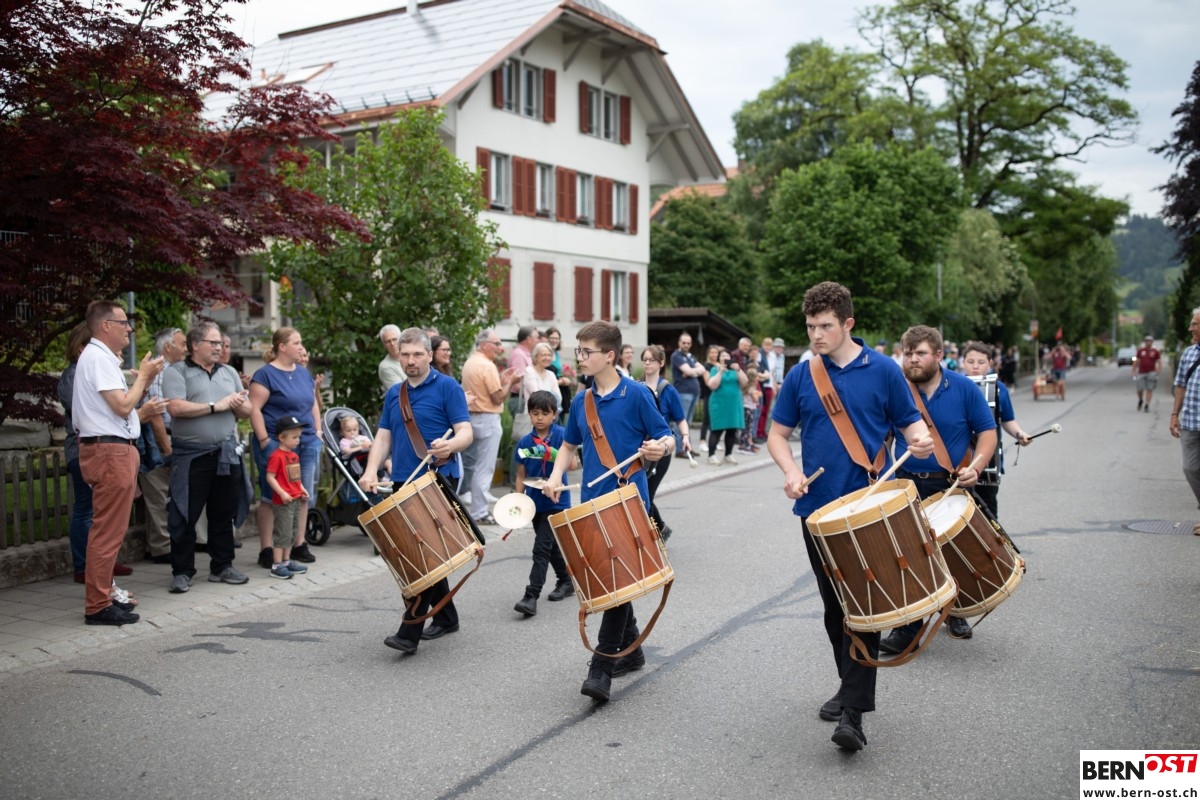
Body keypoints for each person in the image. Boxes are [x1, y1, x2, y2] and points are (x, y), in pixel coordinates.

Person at [766, 281, 934, 752]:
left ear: (848, 324)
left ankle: (854, 714)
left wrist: (919, 441)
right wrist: (791, 471)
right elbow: (777, 435)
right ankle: (848, 686)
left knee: (864, 606)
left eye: (825, 326)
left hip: (869, 508)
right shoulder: (801, 375)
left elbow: (911, 425)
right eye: (810, 326)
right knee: (834, 608)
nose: (816, 335)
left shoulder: (883, 370)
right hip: (817, 511)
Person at [542, 321, 673, 703]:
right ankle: (631, 651)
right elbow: (569, 446)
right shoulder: (582, 401)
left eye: (587, 352)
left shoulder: (637, 394)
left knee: (616, 579)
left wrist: (659, 448)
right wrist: (554, 476)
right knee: (613, 579)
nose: (580, 357)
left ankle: (601, 667)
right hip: (591, 504)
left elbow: (665, 435)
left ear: (610, 356)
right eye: (578, 351)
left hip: (629, 502)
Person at [875, 325, 997, 652]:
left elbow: (988, 432)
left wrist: (975, 468)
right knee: (908, 555)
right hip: (907, 484)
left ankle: (955, 611)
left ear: (939, 355)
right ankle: (908, 629)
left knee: (950, 551)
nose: (913, 359)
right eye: (908, 353)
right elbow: (883, 436)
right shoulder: (896, 391)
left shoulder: (964, 388)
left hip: (949, 483)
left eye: (921, 353)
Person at [357, 327, 475, 654]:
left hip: (436, 479)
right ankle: (447, 617)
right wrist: (371, 470)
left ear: (429, 355)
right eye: (405, 355)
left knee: (420, 556)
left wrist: (450, 445)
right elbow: (383, 436)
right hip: (402, 480)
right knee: (424, 553)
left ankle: (409, 633)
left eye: (417, 355)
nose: (410, 360)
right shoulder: (394, 394)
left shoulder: (448, 387)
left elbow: (465, 432)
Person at [72, 300, 166, 625]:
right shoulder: (98, 358)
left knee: (109, 530)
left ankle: (106, 594)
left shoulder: (99, 357)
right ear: (105, 326)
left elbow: (118, 412)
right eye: (123, 322)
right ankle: (98, 605)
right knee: (107, 532)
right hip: (110, 453)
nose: (129, 328)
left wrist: (143, 384)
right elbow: (123, 406)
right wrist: (144, 377)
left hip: (113, 449)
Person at [162, 322, 253, 593]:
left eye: (220, 343)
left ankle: (222, 566)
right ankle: (182, 571)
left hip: (225, 453)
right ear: (195, 345)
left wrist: (238, 404)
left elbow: (247, 409)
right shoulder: (177, 371)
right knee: (183, 513)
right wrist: (216, 406)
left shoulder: (228, 372)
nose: (219, 348)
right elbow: (175, 407)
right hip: (192, 457)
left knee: (222, 513)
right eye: (213, 343)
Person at [59, 322, 138, 584]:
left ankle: (102, 568)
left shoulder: (95, 368)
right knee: (87, 510)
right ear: (82, 348)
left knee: (102, 515)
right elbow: (95, 408)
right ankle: (85, 567)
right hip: (87, 447)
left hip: (108, 445)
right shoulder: (76, 373)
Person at [249, 327, 322, 569]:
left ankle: (298, 544)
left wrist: (318, 431)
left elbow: (312, 404)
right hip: (277, 444)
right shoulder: (265, 375)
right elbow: (254, 408)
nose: (301, 347)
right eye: (296, 343)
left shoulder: (302, 372)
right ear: (282, 346)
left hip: (306, 441)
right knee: (271, 496)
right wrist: (264, 441)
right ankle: (267, 549)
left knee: (302, 494)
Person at [512, 390, 575, 617]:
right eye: (535, 413)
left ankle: (531, 596)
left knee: (541, 548)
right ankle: (566, 581)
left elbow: (573, 464)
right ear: (529, 414)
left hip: (557, 502)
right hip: (534, 502)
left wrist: (552, 453)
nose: (539, 418)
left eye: (544, 413)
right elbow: (521, 475)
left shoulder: (562, 435)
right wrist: (518, 500)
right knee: (550, 546)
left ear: (554, 414)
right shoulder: (525, 442)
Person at [960, 341, 1031, 515]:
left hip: (989, 463)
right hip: (958, 461)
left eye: (981, 362)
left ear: (990, 363)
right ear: (963, 362)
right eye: (970, 362)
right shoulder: (954, 385)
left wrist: (1019, 434)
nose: (975, 366)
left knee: (988, 512)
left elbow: (1007, 419)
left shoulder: (1000, 389)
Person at [461, 329, 520, 525]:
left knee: (473, 466)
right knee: (484, 469)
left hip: (472, 417)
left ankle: (476, 510)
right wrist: (510, 382)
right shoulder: (487, 366)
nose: (499, 347)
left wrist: (502, 379)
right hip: (487, 418)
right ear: (484, 344)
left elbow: (484, 390)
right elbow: (498, 398)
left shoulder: (470, 362)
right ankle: (479, 512)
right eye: (496, 343)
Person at [139, 327, 186, 563]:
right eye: (182, 344)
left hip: (171, 437)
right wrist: (167, 449)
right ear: (168, 347)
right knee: (159, 492)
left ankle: (163, 544)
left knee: (167, 493)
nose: (186, 348)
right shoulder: (160, 372)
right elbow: (155, 414)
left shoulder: (173, 370)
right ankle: (162, 547)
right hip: (159, 439)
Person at [640, 345, 691, 541]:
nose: (647, 363)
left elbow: (680, 419)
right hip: (642, 448)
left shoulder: (668, 390)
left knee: (646, 494)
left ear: (661, 363)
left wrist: (685, 437)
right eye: (644, 359)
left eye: (651, 359)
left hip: (662, 448)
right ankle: (660, 528)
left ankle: (656, 531)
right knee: (639, 494)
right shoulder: (637, 387)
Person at [263, 415, 311, 579]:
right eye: (294, 437)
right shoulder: (276, 456)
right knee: (282, 533)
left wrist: (302, 489)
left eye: (298, 437)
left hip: (295, 499)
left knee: (292, 532)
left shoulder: (294, 456)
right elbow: (270, 477)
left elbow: (295, 478)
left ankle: (286, 561)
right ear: (281, 437)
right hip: (283, 502)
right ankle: (276, 565)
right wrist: (282, 493)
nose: (297, 440)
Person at [1169, 309, 1200, 534]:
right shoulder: (1189, 354)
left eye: (1195, 324)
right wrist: (1174, 414)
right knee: (1190, 468)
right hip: (1190, 422)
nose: (1191, 329)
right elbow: (1180, 385)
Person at [705, 347, 747, 465]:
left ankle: (728, 454)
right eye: (722, 356)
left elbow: (745, 382)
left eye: (727, 356)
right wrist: (721, 372)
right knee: (717, 430)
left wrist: (738, 369)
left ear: (731, 358)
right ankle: (711, 455)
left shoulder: (735, 371)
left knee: (732, 430)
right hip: (719, 404)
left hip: (733, 404)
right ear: (719, 358)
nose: (725, 358)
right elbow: (712, 385)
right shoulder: (715, 369)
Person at [670, 332, 706, 455]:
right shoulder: (677, 356)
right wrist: (692, 372)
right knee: (681, 421)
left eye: (688, 343)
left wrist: (691, 371)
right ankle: (680, 449)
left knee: (688, 422)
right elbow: (690, 371)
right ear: (679, 343)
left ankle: (687, 448)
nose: (686, 345)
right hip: (683, 392)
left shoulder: (690, 356)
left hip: (694, 392)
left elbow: (702, 369)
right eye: (684, 342)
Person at [521, 342, 562, 413]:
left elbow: (558, 397)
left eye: (549, 355)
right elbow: (537, 396)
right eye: (544, 355)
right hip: (533, 415)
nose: (547, 358)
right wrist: (551, 401)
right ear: (536, 356)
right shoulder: (529, 371)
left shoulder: (551, 374)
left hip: (549, 415)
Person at [507, 325, 538, 414]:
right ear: (528, 339)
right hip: (521, 400)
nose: (538, 340)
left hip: (526, 399)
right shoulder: (519, 355)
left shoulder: (525, 354)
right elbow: (518, 385)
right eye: (536, 337)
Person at [738, 363, 762, 454]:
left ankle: (745, 444)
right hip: (749, 409)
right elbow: (755, 399)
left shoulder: (746, 386)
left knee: (746, 428)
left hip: (746, 408)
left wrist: (757, 394)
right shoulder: (751, 387)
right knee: (748, 428)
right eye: (757, 376)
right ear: (753, 378)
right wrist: (757, 395)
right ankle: (744, 445)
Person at [1134, 334, 1161, 412]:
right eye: (1146, 341)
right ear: (1145, 342)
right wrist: (1133, 370)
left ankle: (1147, 404)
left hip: (1151, 372)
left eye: (1149, 341)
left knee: (1149, 389)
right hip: (1141, 372)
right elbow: (1137, 360)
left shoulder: (1155, 351)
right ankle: (1140, 399)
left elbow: (1159, 362)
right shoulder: (1140, 351)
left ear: (1152, 342)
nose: (1148, 342)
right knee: (1139, 388)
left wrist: (1158, 371)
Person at [378, 324, 405, 390]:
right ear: (384, 345)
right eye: (388, 341)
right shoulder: (386, 367)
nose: (392, 344)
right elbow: (401, 393)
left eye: (394, 339)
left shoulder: (413, 357)